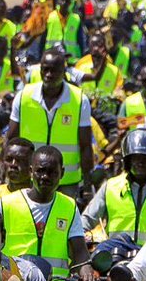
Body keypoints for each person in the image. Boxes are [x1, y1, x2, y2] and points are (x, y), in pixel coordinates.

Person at [0, 146, 97, 281]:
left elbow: (79, 251)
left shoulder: (69, 206)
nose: (45, 177)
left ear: (62, 173)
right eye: (40, 171)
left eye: (52, 172)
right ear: (31, 171)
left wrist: (87, 271)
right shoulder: (6, 204)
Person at [7, 48, 93, 195]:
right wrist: (7, 174)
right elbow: (11, 140)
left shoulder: (79, 100)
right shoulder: (23, 97)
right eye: (45, 69)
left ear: (64, 71)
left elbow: (86, 146)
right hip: (30, 178)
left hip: (65, 181)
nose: (48, 75)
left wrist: (87, 183)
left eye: (54, 70)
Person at [82, 128, 146, 244]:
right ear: (127, 160)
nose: (140, 162)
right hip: (116, 256)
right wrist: (81, 237)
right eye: (136, 157)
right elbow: (87, 219)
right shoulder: (110, 187)